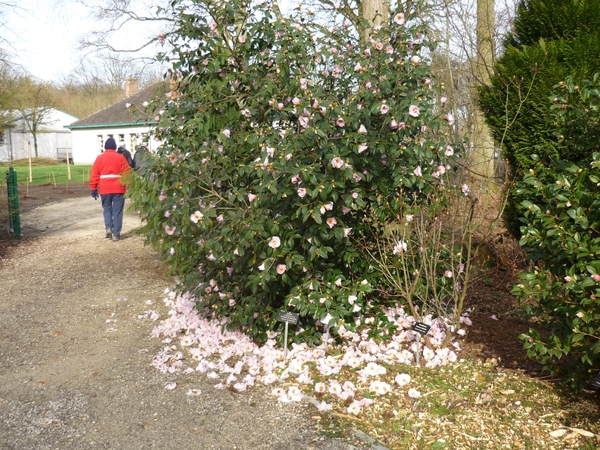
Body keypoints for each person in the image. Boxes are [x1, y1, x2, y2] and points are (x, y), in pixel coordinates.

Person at [90, 137, 131, 241]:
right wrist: (128, 186)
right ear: (115, 147)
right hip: (119, 188)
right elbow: (127, 173)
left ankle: (108, 227)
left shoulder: (100, 158)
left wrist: (93, 188)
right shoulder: (121, 158)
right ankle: (116, 234)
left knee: (107, 208)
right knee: (117, 211)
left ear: (105, 147)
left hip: (104, 188)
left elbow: (94, 174)